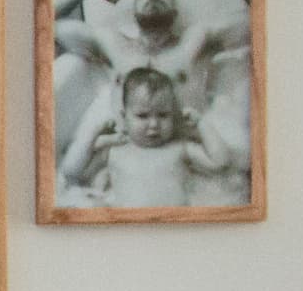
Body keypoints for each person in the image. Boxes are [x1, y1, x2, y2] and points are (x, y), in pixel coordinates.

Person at [49, 0, 253, 205]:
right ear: (134, 9)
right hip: (125, 156)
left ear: (176, 10)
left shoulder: (197, 40)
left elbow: (267, 13)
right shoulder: (110, 42)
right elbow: (38, 17)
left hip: (186, 157)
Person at [64, 67, 231, 207]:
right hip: (128, 228)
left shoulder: (179, 148)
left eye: (163, 115)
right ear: (124, 117)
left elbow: (221, 162)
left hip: (174, 225)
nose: (154, 124)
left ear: (174, 116)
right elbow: (71, 172)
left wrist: (201, 124)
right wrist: (92, 134)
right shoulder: (114, 150)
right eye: (143, 116)